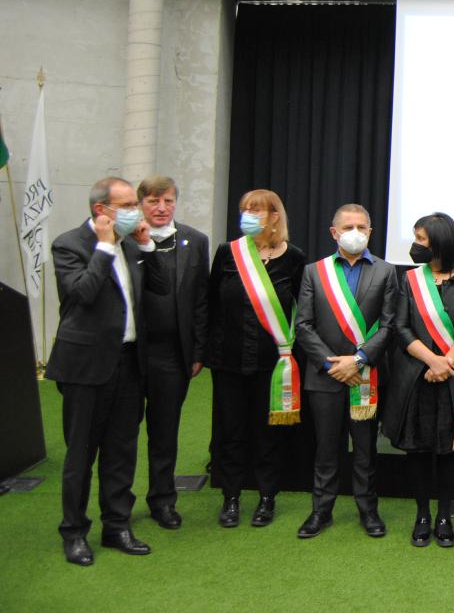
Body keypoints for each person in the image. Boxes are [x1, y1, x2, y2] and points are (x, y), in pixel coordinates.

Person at [46, 177, 166, 565]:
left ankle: (117, 526)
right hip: (85, 366)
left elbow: (162, 287)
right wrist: (103, 246)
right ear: (101, 210)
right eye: (128, 205)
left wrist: (146, 244)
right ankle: (74, 532)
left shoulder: (132, 243)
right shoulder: (70, 244)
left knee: (121, 451)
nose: (137, 210)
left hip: (129, 362)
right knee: (81, 454)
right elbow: (82, 293)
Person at [383, 212, 454, 549]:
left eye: (421, 239)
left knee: (449, 450)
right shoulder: (410, 279)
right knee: (417, 448)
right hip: (417, 376)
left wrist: (446, 363)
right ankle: (422, 515)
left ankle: (444, 516)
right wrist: (432, 361)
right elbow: (400, 327)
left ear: (440, 241)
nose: (415, 245)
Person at [294, 204, 398, 539]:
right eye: (348, 227)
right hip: (324, 376)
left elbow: (390, 325)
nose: (355, 232)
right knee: (326, 449)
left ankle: (368, 510)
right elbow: (304, 325)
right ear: (334, 232)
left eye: (361, 227)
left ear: (370, 232)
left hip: (366, 375)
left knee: (366, 450)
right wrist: (331, 364)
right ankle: (321, 511)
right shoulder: (314, 272)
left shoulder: (386, 271)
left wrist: (359, 360)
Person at [206, 190, 306, 529]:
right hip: (228, 360)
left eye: (256, 209)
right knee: (230, 431)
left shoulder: (294, 257)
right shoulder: (227, 252)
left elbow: (301, 310)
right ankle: (231, 498)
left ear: (275, 216)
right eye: (244, 209)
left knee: (269, 434)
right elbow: (211, 304)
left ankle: (267, 498)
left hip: (273, 364)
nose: (247, 214)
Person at [135, 175, 210, 531]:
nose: (162, 208)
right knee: (122, 434)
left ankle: (162, 501)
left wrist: (198, 350)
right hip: (130, 353)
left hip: (173, 354)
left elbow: (202, 300)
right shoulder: (125, 239)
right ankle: (117, 505)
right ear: (141, 205)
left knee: (164, 433)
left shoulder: (195, 240)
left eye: (168, 200)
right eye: (153, 201)